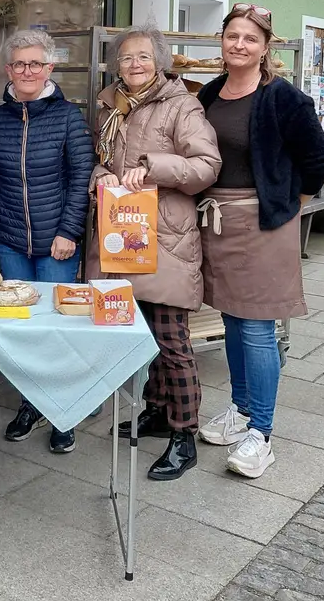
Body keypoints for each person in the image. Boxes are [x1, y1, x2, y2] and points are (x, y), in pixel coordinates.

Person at [194, 3, 324, 479]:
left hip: (264, 222)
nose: (239, 45)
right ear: (222, 41)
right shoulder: (210, 92)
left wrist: (290, 201)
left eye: (250, 39)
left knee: (255, 325)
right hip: (218, 220)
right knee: (231, 319)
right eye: (232, 36)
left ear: (265, 47)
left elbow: (318, 159)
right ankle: (240, 408)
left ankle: (263, 432)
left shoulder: (283, 98)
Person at [85, 24, 220, 481]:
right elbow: (101, 158)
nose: (135, 64)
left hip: (164, 239)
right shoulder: (110, 106)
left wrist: (152, 169)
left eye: (143, 57)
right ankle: (159, 411)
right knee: (144, 337)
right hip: (120, 236)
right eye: (126, 58)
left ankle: (185, 435)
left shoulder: (182, 106)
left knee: (172, 341)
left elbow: (206, 166)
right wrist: (101, 175)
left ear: (160, 62)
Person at [0, 29, 94, 454]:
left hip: (55, 244)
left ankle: (63, 410)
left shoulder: (68, 116)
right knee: (22, 328)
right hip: (9, 242)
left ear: (49, 68)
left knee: (59, 327)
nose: (26, 71)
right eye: (19, 64)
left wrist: (69, 232)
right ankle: (30, 403)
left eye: (35, 64)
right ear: (8, 70)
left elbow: (81, 176)